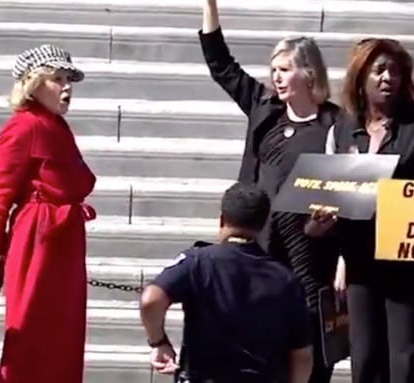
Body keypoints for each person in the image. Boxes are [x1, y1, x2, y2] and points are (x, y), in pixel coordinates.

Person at [199, 1, 340, 381]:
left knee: (309, 356)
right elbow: (221, 64)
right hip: (261, 251)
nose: (276, 78)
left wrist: (335, 244)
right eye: (273, 70)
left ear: (308, 74)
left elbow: (349, 194)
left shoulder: (335, 125)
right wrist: (210, 5)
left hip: (309, 257)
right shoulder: (265, 110)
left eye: (285, 70)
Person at [0, 44, 97, 383]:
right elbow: (0, 195)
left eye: (68, 79)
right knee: (33, 333)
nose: (66, 86)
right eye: (57, 79)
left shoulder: (55, 125)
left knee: (64, 336)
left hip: (63, 236)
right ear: (33, 83)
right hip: (38, 236)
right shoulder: (23, 126)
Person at [307, 38, 414, 383]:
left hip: (406, 259)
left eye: (396, 71)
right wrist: (322, 224)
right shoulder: (342, 129)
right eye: (380, 70)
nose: (388, 78)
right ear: (361, 76)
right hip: (359, 260)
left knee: (404, 357)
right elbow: (334, 193)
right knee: (364, 356)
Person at [140, 182, 313, 383]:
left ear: (222, 219)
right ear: (263, 224)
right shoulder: (285, 279)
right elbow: (302, 356)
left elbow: (151, 300)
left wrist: (159, 342)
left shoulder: (197, 262)